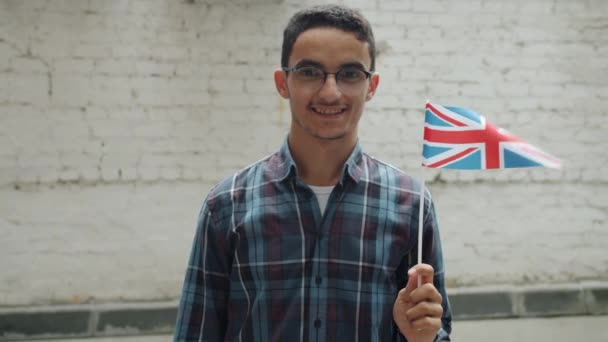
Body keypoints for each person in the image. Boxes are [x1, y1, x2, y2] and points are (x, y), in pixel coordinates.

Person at [174, 4, 452, 342]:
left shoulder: (410, 204)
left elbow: (437, 334)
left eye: (350, 73)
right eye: (309, 72)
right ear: (283, 82)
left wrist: (421, 337)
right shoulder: (227, 206)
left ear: (372, 86)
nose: (330, 92)